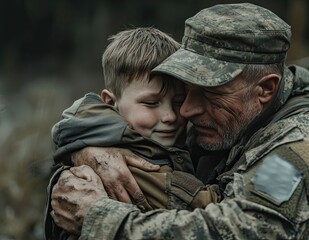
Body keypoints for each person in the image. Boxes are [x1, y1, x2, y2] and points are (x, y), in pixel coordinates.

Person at [50, 3, 309, 239]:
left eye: (209, 93)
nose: (184, 111)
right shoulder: (227, 117)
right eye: (185, 91)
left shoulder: (308, 142)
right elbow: (107, 109)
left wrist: (102, 222)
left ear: (265, 89)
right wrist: (93, 147)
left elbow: (248, 231)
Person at [45, 27, 220, 239]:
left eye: (178, 101)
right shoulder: (129, 165)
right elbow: (205, 207)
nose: (170, 116)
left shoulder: (170, 141)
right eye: (151, 103)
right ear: (110, 102)